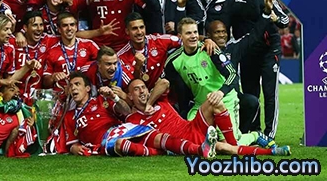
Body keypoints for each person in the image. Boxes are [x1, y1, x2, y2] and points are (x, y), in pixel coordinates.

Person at [64, 72, 216, 158]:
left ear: (88, 88)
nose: (74, 88)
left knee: (157, 137)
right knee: (120, 144)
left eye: (77, 84)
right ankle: (160, 152)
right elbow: (72, 143)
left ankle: (200, 150)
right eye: (71, 86)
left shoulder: (100, 100)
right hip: (104, 141)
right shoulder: (69, 116)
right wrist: (74, 149)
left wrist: (114, 97)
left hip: (122, 129)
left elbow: (125, 110)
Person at [125, 79, 291, 156]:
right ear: (130, 96)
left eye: (143, 87)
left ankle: (234, 143)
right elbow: (147, 141)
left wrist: (150, 103)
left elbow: (165, 82)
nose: (142, 91)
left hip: (191, 127)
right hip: (184, 141)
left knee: (214, 100)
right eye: (136, 89)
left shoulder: (159, 100)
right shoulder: (132, 120)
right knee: (223, 148)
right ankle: (271, 152)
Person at [164, 18, 256, 146]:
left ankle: (255, 136)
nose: (193, 36)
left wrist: (220, 92)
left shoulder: (210, 49)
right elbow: (169, 84)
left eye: (195, 32)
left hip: (225, 100)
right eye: (188, 33)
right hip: (201, 105)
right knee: (191, 140)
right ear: (180, 36)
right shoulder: (173, 61)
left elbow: (232, 74)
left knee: (231, 145)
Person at [227, 0, 289, 139]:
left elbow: (285, 20)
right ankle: (255, 133)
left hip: (269, 50)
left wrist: (274, 17)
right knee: (250, 94)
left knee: (269, 93)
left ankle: (270, 134)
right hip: (247, 52)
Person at [43, 12, 99, 92]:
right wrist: (53, 77)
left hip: (85, 93)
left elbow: (103, 64)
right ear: (59, 29)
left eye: (72, 25)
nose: (69, 28)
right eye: (65, 25)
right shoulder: (52, 51)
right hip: (62, 93)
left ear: (76, 27)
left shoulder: (89, 45)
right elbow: (45, 82)